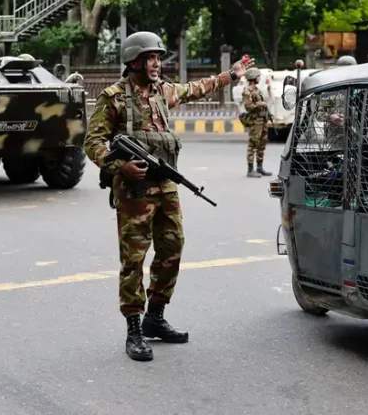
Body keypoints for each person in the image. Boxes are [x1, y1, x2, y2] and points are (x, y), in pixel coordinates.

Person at [84, 31, 254, 362]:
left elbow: (196, 89)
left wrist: (230, 75)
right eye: (151, 58)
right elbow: (93, 141)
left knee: (172, 247)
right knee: (133, 259)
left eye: (159, 58)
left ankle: (155, 317)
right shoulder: (114, 97)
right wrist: (120, 166)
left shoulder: (163, 92)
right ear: (134, 61)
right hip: (134, 190)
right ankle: (134, 329)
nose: (157, 64)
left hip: (165, 186)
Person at [242, 67, 272, 178]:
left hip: (262, 120)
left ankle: (260, 167)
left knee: (262, 144)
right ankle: (250, 170)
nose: (260, 78)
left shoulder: (257, 89)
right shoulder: (247, 90)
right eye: (258, 76)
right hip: (255, 122)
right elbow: (248, 107)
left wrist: (268, 113)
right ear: (253, 77)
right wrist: (260, 104)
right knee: (253, 144)